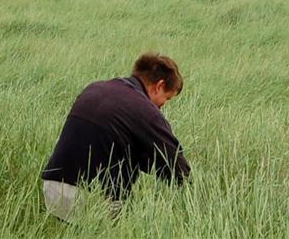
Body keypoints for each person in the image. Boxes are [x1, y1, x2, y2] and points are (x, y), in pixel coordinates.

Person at [41, 52, 190, 221]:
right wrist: (192, 195)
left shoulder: (94, 88)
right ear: (159, 85)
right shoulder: (145, 109)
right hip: (91, 197)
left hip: (53, 187)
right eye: (167, 97)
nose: (164, 105)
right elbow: (174, 162)